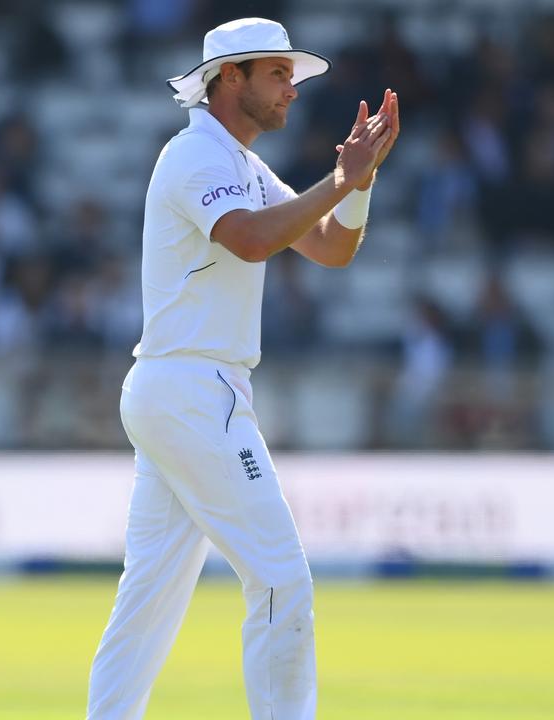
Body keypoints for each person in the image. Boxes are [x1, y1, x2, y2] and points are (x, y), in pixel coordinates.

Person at [86, 17, 399, 720]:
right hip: (193, 391)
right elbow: (252, 242)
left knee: (148, 601)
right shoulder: (195, 155)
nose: (292, 90)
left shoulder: (244, 165)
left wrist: (360, 183)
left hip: (182, 392)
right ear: (231, 78)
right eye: (278, 75)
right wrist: (338, 179)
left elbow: (330, 248)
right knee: (282, 579)